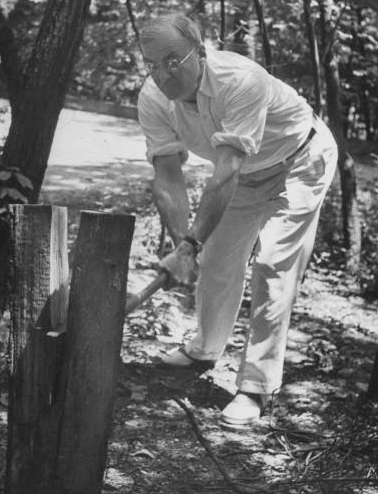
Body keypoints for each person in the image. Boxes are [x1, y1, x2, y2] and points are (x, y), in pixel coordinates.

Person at [137, 13, 338, 427]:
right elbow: (168, 176)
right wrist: (184, 248)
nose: (163, 73)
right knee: (215, 263)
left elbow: (225, 169)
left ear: (201, 51)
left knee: (273, 264)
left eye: (173, 59)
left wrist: (191, 243)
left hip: (301, 160)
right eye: (152, 63)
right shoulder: (153, 99)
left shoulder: (240, 79)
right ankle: (205, 349)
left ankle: (256, 386)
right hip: (247, 175)